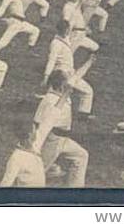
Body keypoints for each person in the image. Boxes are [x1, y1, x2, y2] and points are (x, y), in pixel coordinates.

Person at [34, 56, 95, 187]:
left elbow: (76, 77)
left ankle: (75, 189)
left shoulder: (62, 91)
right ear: (61, 85)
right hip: (52, 140)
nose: (71, 84)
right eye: (67, 81)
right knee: (38, 173)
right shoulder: (49, 100)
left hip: (64, 140)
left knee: (81, 156)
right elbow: (38, 123)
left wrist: (89, 62)